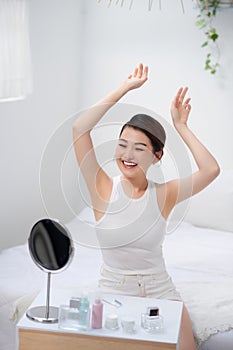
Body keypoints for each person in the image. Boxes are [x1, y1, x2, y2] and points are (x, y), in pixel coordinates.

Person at [72, 63, 220, 350]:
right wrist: (124, 88)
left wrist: (181, 127)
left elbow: (211, 169)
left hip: (159, 289)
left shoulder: (165, 194)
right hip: (113, 289)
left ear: (156, 156)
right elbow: (80, 128)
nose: (127, 155)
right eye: (122, 144)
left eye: (139, 148)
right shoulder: (102, 187)